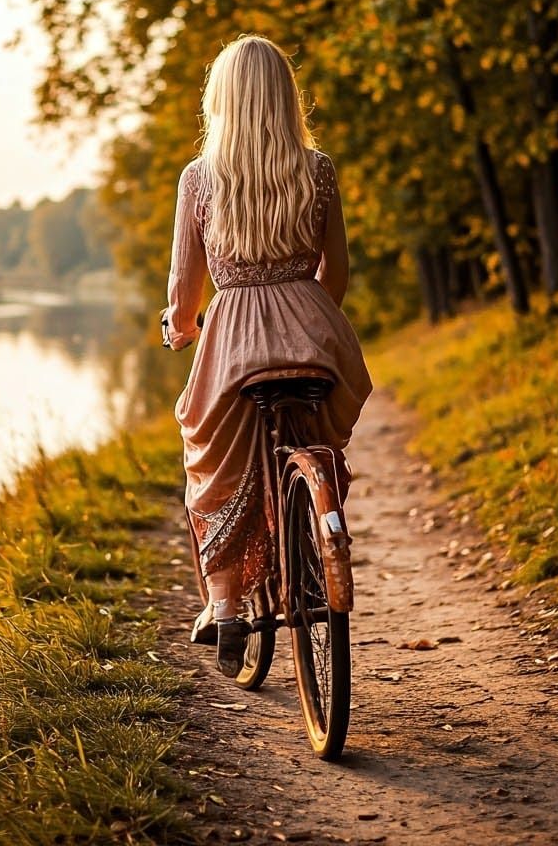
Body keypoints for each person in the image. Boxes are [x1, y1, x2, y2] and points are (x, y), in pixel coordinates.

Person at [162, 34, 373, 678]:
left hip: (232, 342)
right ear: (285, 96)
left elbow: (185, 288)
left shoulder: (200, 179)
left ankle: (226, 604)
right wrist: (309, 319)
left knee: (212, 461)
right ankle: (308, 532)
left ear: (221, 101)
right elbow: (336, 271)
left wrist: (181, 327)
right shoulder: (319, 170)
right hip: (314, 336)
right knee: (311, 435)